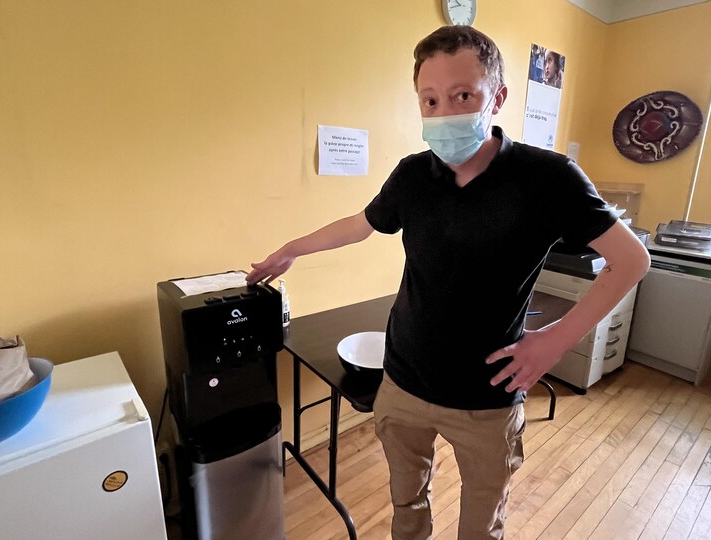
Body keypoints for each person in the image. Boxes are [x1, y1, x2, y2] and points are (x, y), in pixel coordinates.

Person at [247, 25, 649, 540]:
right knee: (406, 504)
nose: (443, 113)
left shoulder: (548, 178)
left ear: (497, 97)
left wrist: (552, 343)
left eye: (462, 96)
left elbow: (631, 261)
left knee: (482, 525)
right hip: (403, 381)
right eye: (429, 100)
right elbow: (360, 224)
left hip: (487, 396)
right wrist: (291, 250)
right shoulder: (414, 175)